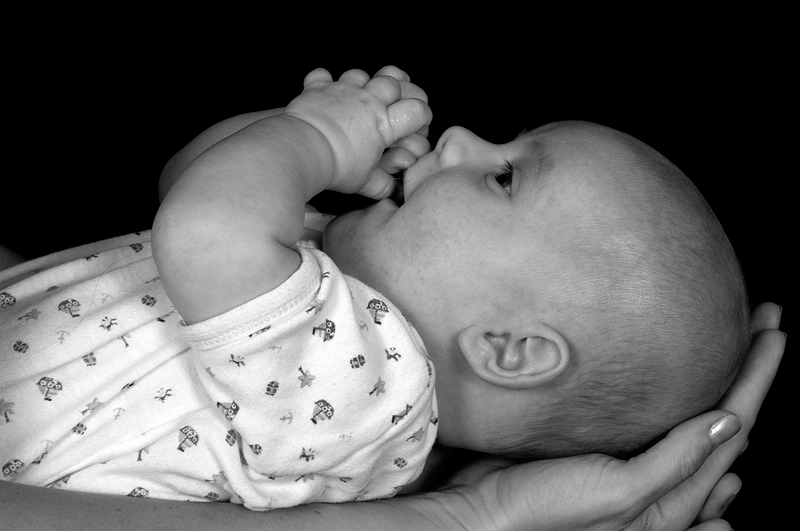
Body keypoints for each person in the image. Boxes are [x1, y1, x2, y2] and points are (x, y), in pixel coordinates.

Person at [0, 66, 778, 522]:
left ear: (508, 348)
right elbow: (188, 187)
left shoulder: (368, 389)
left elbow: (201, 229)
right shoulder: (323, 291)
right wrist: (292, 135)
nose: (461, 139)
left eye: (503, 174)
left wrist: (318, 141)